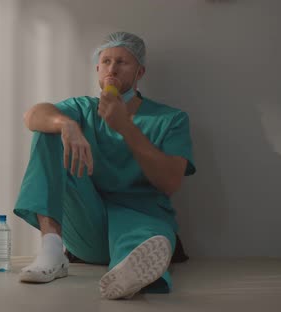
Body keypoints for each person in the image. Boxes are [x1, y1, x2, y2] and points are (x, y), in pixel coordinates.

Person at [13, 31, 196, 299]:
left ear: (139, 72)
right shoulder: (81, 109)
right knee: (48, 130)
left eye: (122, 62)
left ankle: (127, 272)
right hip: (89, 223)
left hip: (142, 218)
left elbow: (170, 182)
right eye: (106, 61)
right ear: (97, 68)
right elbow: (33, 115)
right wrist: (66, 124)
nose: (112, 68)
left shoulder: (171, 119)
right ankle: (51, 250)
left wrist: (125, 126)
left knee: (143, 240)